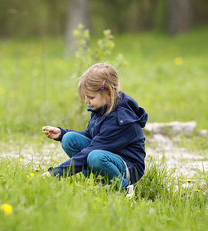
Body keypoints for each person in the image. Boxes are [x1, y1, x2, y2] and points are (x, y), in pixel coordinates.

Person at [41, 63, 148, 197]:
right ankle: (99, 183)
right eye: (85, 96)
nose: (86, 101)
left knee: (94, 157)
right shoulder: (102, 106)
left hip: (128, 166)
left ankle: (123, 190)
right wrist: (62, 134)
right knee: (69, 139)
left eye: (91, 97)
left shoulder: (119, 120)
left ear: (108, 93)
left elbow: (91, 150)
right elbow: (92, 136)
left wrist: (56, 173)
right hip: (106, 154)